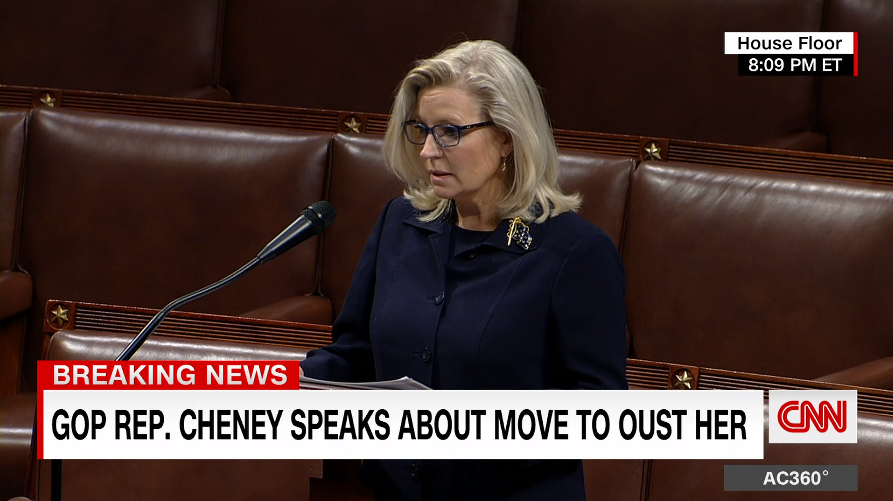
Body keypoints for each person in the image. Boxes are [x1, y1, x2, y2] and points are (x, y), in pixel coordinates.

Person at [299, 40, 627, 500]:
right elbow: (357, 355)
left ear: (508, 136)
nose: (427, 151)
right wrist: (273, 386)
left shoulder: (575, 253)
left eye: (449, 132)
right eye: (421, 130)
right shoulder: (400, 222)